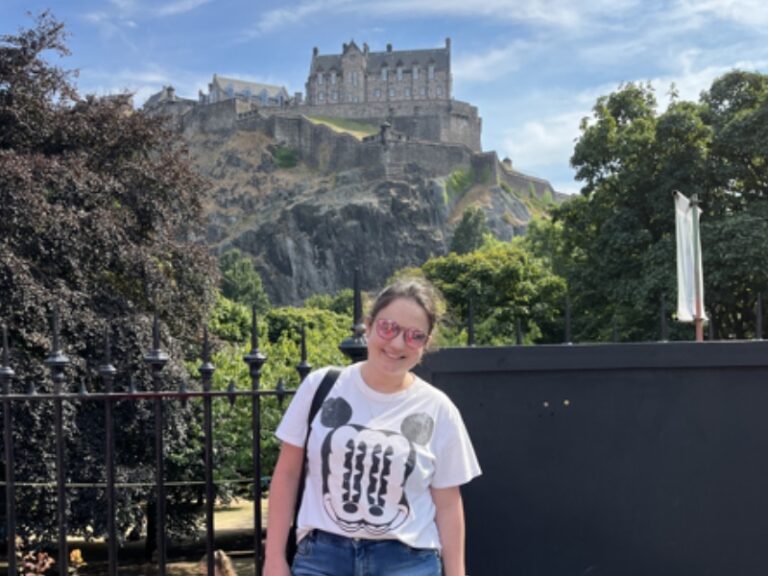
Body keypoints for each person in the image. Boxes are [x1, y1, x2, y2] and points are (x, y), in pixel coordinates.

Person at [264, 278, 481, 576]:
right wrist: (273, 558)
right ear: (367, 326)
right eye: (387, 328)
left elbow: (447, 503)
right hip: (322, 557)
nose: (397, 343)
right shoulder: (321, 386)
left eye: (415, 336)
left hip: (407, 560)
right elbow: (287, 474)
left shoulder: (438, 409)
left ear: (426, 344)